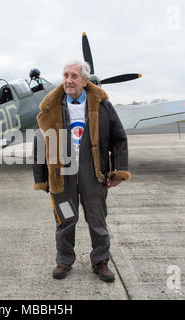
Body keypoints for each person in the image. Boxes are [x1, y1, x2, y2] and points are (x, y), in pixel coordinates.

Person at [32, 60, 131, 282]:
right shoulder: (52, 108)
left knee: (97, 219)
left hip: (93, 173)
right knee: (66, 219)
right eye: (65, 75)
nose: (68, 80)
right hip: (63, 176)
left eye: (74, 76)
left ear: (85, 81)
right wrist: (42, 178)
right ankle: (64, 260)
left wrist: (119, 171)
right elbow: (40, 141)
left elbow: (119, 139)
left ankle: (101, 261)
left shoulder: (102, 106)